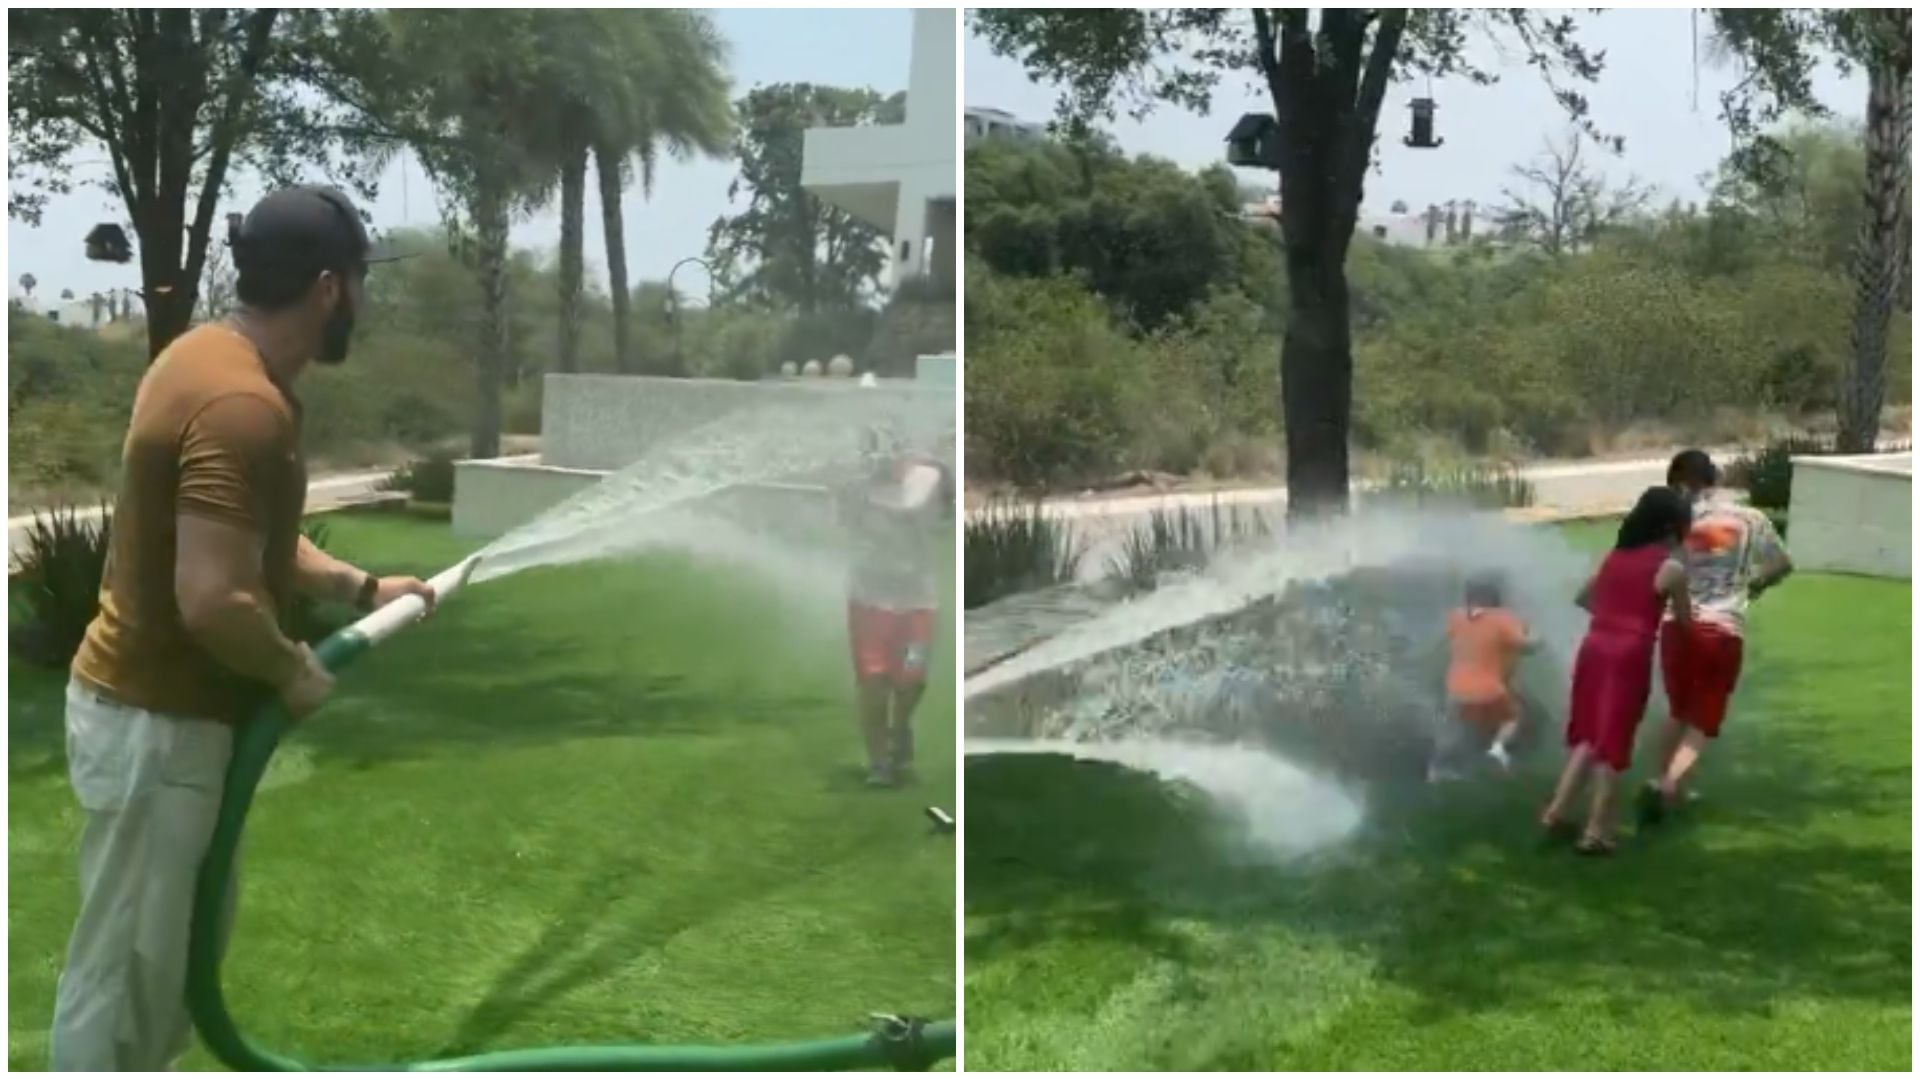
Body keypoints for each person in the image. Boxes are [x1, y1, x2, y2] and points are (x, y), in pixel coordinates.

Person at [49, 187, 436, 1071]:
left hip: (156, 724)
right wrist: (289, 668)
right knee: (126, 987)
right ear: (331, 289)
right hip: (159, 728)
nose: (364, 306)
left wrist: (358, 584)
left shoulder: (204, 359)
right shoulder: (242, 406)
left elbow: (242, 539)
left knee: (164, 970)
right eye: (363, 286)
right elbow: (214, 598)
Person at [1638, 449, 1793, 824]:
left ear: (1677, 482)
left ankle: (1667, 782)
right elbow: (1782, 564)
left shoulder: (1675, 520)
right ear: (1716, 477)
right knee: (1704, 718)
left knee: (1678, 709)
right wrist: (1755, 583)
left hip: (1677, 626)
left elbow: (1652, 570)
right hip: (1722, 629)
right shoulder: (1750, 518)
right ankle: (1670, 784)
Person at [1541, 486, 1693, 855]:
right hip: (1628, 654)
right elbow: (1686, 624)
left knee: (1591, 735)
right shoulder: (1669, 568)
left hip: (1594, 648)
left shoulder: (1613, 558)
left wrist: (1613, 615)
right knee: (1614, 740)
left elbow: (1582, 597)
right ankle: (1597, 832)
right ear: (1672, 528)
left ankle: (1556, 813)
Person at [841, 420, 951, 787]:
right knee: (873, 681)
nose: (885, 458)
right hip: (869, 599)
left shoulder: (928, 480)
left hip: (918, 599)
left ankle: (900, 726)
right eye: (876, 451)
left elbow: (940, 502)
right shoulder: (856, 489)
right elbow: (846, 524)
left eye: (892, 449)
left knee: (912, 679)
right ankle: (879, 763)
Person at [1430, 572, 1538, 781]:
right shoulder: (1503, 618)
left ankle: (1437, 769)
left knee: (1454, 728)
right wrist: (1538, 638)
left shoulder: (1456, 617)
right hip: (1490, 692)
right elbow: (1526, 646)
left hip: (1456, 692)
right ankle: (1497, 750)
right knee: (1512, 717)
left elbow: (1444, 641)